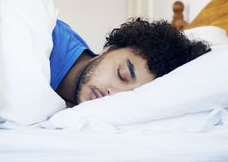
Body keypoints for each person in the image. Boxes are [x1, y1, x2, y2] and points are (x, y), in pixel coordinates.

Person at [50, 18, 210, 107]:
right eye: (122, 75)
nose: (113, 95)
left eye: (129, 96)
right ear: (109, 49)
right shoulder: (48, 40)